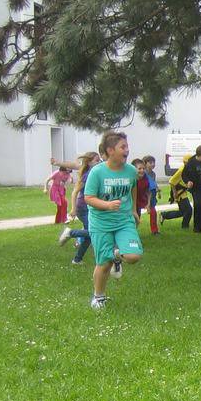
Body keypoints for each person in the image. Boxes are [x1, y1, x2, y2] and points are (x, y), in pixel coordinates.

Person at [83, 131, 143, 309]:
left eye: (127, 146)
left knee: (133, 256)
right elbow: (88, 197)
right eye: (122, 147)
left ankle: (117, 256)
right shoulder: (97, 172)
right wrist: (106, 205)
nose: (127, 150)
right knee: (103, 263)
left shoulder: (131, 171)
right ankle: (98, 297)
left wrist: (133, 210)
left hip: (124, 221)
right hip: (101, 223)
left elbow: (133, 188)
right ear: (110, 150)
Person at [58, 151, 100, 264]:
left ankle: (77, 259)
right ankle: (71, 233)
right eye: (97, 160)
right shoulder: (87, 175)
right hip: (83, 208)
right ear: (89, 162)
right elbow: (74, 192)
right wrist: (73, 209)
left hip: (90, 208)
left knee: (90, 235)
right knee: (94, 232)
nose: (99, 162)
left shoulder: (94, 172)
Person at [159, 154, 193, 229]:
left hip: (183, 192)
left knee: (183, 212)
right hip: (179, 193)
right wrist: (175, 193)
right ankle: (185, 227)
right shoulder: (182, 170)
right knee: (188, 210)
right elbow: (171, 181)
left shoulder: (188, 169)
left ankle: (164, 215)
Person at [143, 155, 160, 234]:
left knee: (153, 211)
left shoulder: (153, 173)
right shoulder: (143, 173)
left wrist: (158, 190)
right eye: (150, 163)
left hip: (152, 193)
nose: (153, 164)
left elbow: (154, 183)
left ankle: (154, 230)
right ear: (145, 164)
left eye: (154, 162)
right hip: (145, 194)